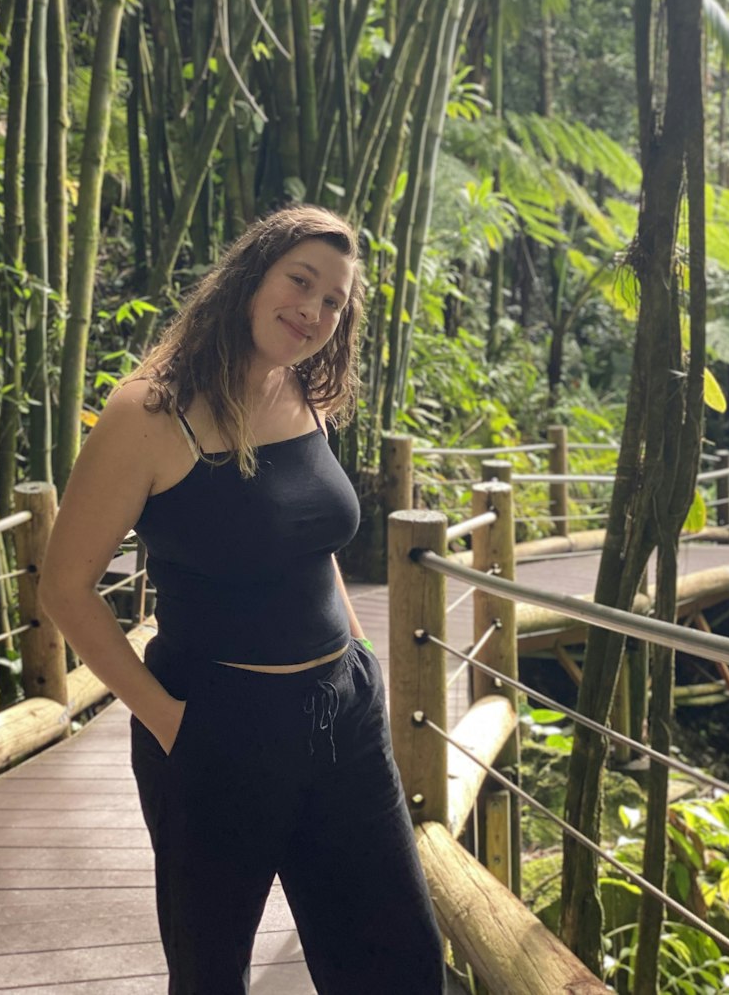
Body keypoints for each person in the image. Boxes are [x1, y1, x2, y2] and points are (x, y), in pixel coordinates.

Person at [40, 205, 446, 995]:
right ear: (251, 276)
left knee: (400, 959)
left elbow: (309, 544)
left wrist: (360, 655)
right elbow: (64, 584)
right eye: (301, 281)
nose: (315, 311)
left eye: (335, 301)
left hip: (343, 716)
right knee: (212, 973)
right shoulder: (150, 412)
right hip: (219, 731)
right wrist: (171, 722)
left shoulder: (304, 388)